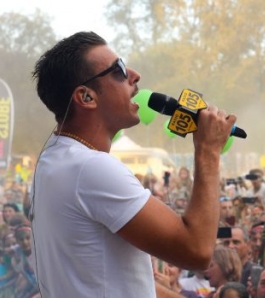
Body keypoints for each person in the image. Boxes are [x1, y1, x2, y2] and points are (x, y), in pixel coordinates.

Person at [31, 31, 236, 297]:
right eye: (118, 70)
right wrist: (208, 150)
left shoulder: (54, 160)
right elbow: (196, 252)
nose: (135, 74)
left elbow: (104, 281)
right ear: (86, 97)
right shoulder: (91, 168)